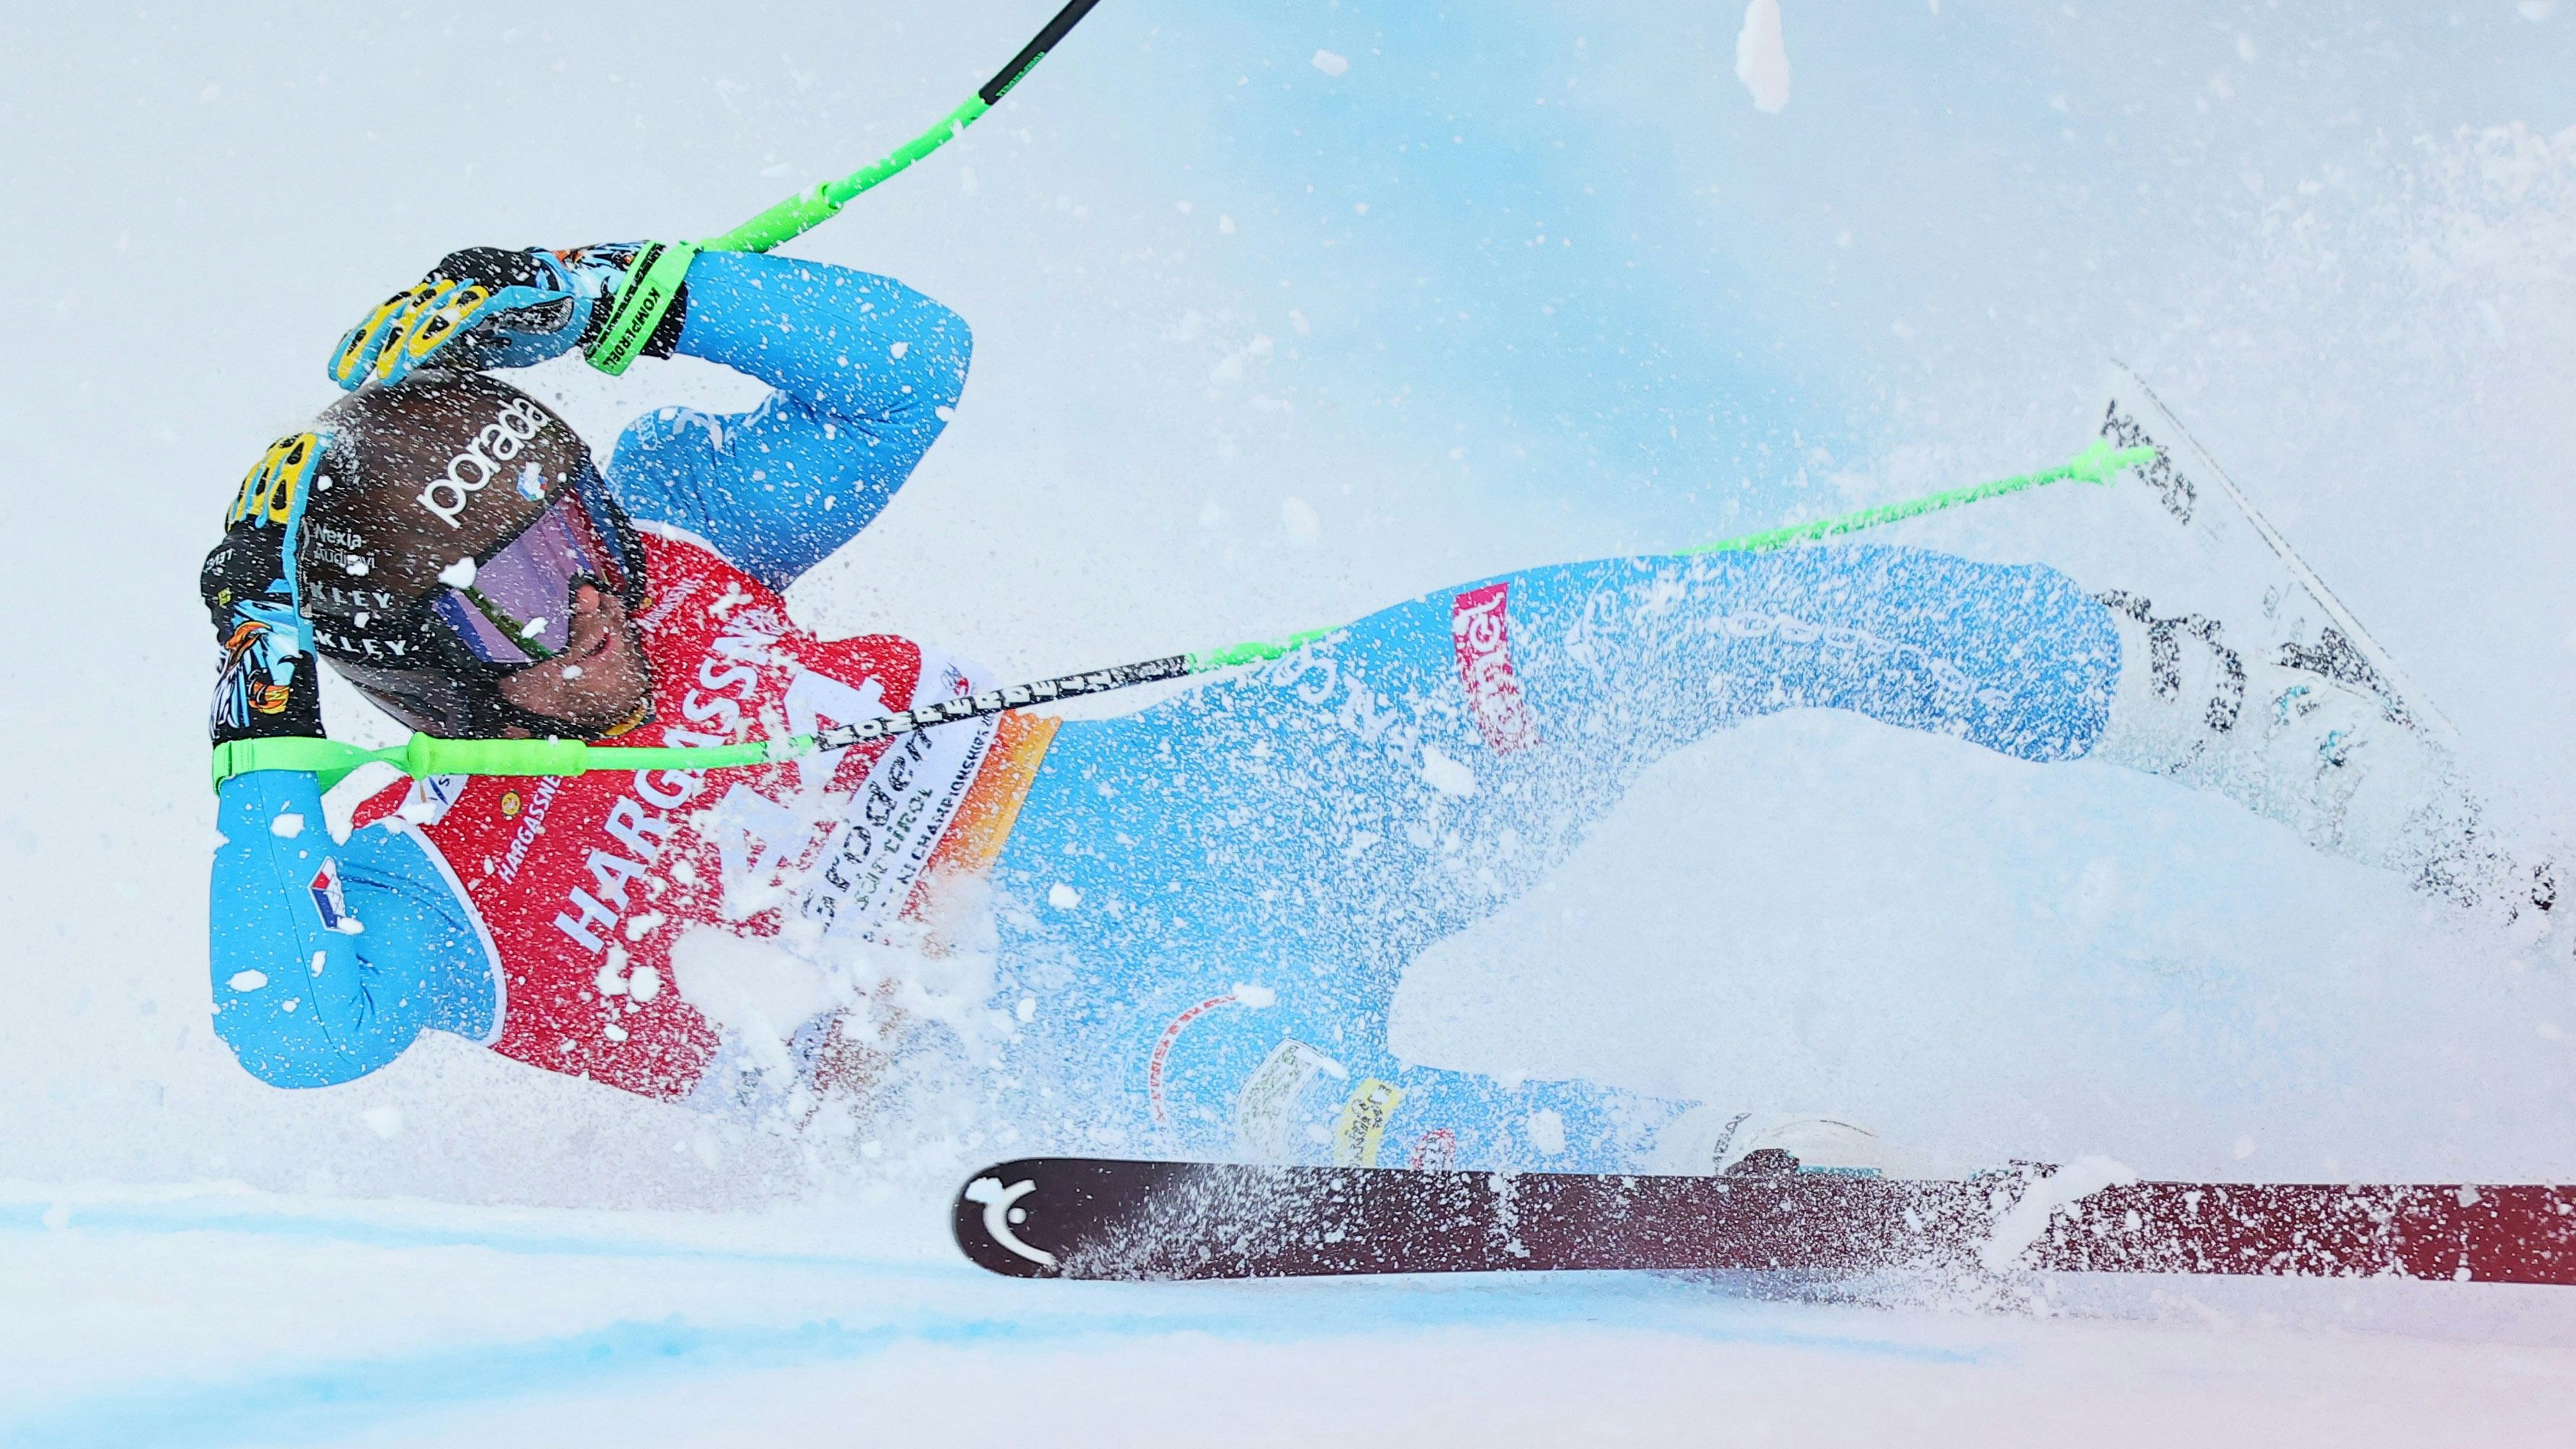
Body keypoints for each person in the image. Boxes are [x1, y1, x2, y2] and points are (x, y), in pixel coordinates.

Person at [201, 242, 2508, 1178]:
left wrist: (639, 290)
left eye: (585, 522)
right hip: (1062, 1035)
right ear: (421, 660)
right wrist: (258, 733)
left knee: (1654, 624)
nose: (595, 583)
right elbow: (286, 1029)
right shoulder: (415, 860)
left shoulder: (681, 556)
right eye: (524, 581)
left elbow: (910, 369)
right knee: (1360, 1134)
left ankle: (2231, 708)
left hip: (1213, 783)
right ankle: (1845, 1201)